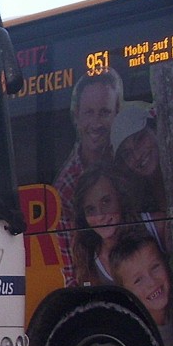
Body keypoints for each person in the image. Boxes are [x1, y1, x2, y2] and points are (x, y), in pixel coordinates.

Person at [53, 67, 124, 287]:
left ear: (117, 113)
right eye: (88, 113)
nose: (96, 123)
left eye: (104, 112)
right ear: (77, 116)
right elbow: (71, 269)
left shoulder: (128, 155)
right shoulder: (65, 187)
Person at [69, 164, 165, 286]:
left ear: (120, 197)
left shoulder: (156, 226)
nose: (100, 216)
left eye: (106, 201)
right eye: (90, 209)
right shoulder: (89, 261)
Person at [112, 107, 167, 215]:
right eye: (127, 154)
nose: (137, 156)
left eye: (139, 139)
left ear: (155, 129)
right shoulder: (137, 206)